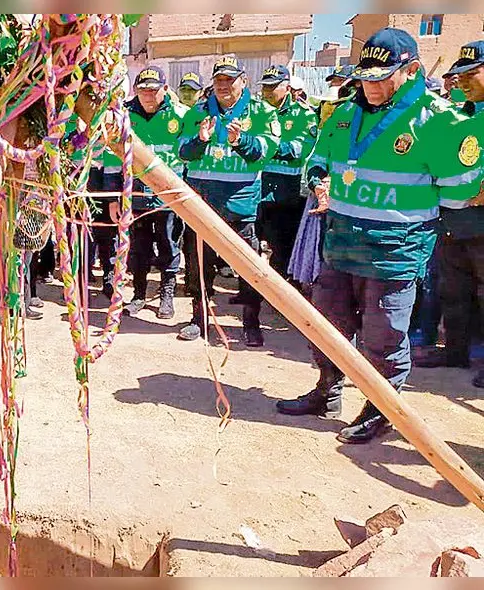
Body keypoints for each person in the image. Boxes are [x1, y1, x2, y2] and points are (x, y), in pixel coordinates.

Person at [275, 28, 477, 443]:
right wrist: (318, 181)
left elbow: (460, 191)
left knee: (382, 336)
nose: (371, 85)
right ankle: (327, 391)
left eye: (382, 76)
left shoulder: (438, 121)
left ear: (412, 70)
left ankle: (381, 407)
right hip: (340, 241)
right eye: (366, 76)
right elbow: (318, 159)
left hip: (394, 249)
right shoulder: (346, 113)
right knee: (326, 324)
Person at [178, 55, 280, 347]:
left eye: (229, 80)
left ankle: (250, 322)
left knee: (248, 268)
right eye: (219, 80)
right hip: (201, 204)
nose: (223, 85)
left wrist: (241, 142)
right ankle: (199, 319)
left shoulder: (261, 112)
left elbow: (265, 151)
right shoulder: (197, 112)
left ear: (243, 81)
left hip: (240, 205)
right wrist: (199, 140)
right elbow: (182, 152)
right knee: (198, 265)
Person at [414, 40, 484, 389]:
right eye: (461, 75)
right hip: (451, 217)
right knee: (452, 291)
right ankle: (454, 351)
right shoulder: (459, 112)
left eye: (472, 73)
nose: (463, 81)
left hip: (482, 219)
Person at [113, 66, 188, 319]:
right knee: (138, 248)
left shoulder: (181, 115)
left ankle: (167, 295)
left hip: (167, 197)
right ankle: (139, 295)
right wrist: (115, 196)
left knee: (168, 245)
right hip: (136, 195)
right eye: (143, 90)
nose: (147, 95)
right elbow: (114, 159)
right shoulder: (123, 114)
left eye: (153, 90)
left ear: (165, 90)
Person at [258, 65, 318, 284]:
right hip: (257, 187)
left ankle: (282, 292)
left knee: (281, 246)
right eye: (265, 87)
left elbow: (298, 150)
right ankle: (249, 294)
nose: (267, 92)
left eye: (273, 87)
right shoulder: (257, 111)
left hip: (285, 190)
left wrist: (263, 146)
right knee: (253, 244)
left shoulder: (304, 115)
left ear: (287, 87)